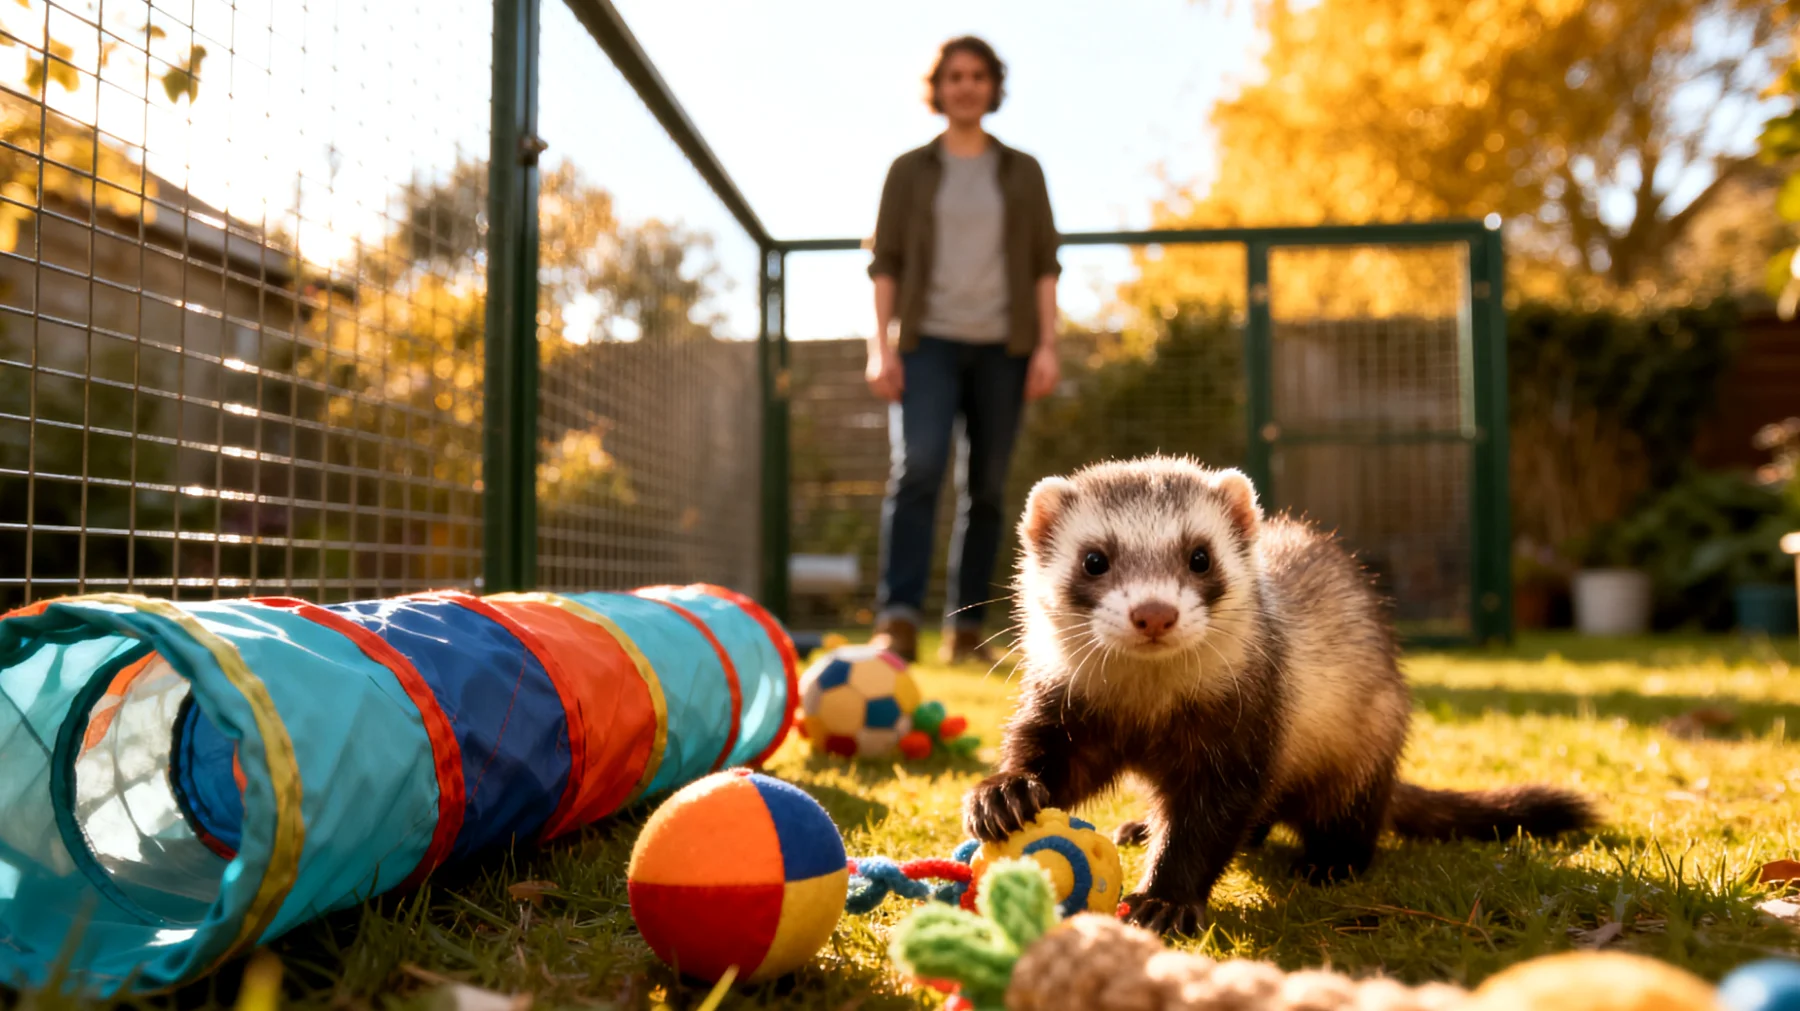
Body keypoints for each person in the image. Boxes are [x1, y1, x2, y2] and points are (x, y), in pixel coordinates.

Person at [865, 35, 1061, 665]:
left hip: (1005, 348)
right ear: (938, 88)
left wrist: (1047, 346)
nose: (966, 86)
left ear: (992, 87)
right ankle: (897, 619)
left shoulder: (1022, 170)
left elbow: (1043, 267)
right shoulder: (909, 171)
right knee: (918, 468)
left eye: (978, 76)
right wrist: (881, 346)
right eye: (954, 77)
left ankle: (966, 630)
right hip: (928, 345)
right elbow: (885, 265)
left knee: (988, 490)